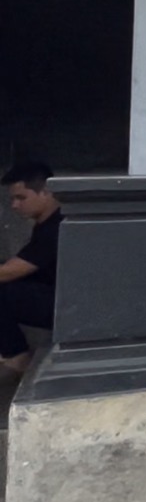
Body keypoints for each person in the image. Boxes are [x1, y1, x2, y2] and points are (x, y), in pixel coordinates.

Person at [1, 161, 62, 376]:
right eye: (13, 199)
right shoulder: (46, 225)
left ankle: (17, 358)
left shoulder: (57, 228)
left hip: (66, 308)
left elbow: (9, 272)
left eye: (21, 198)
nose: (15, 205)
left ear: (45, 192)